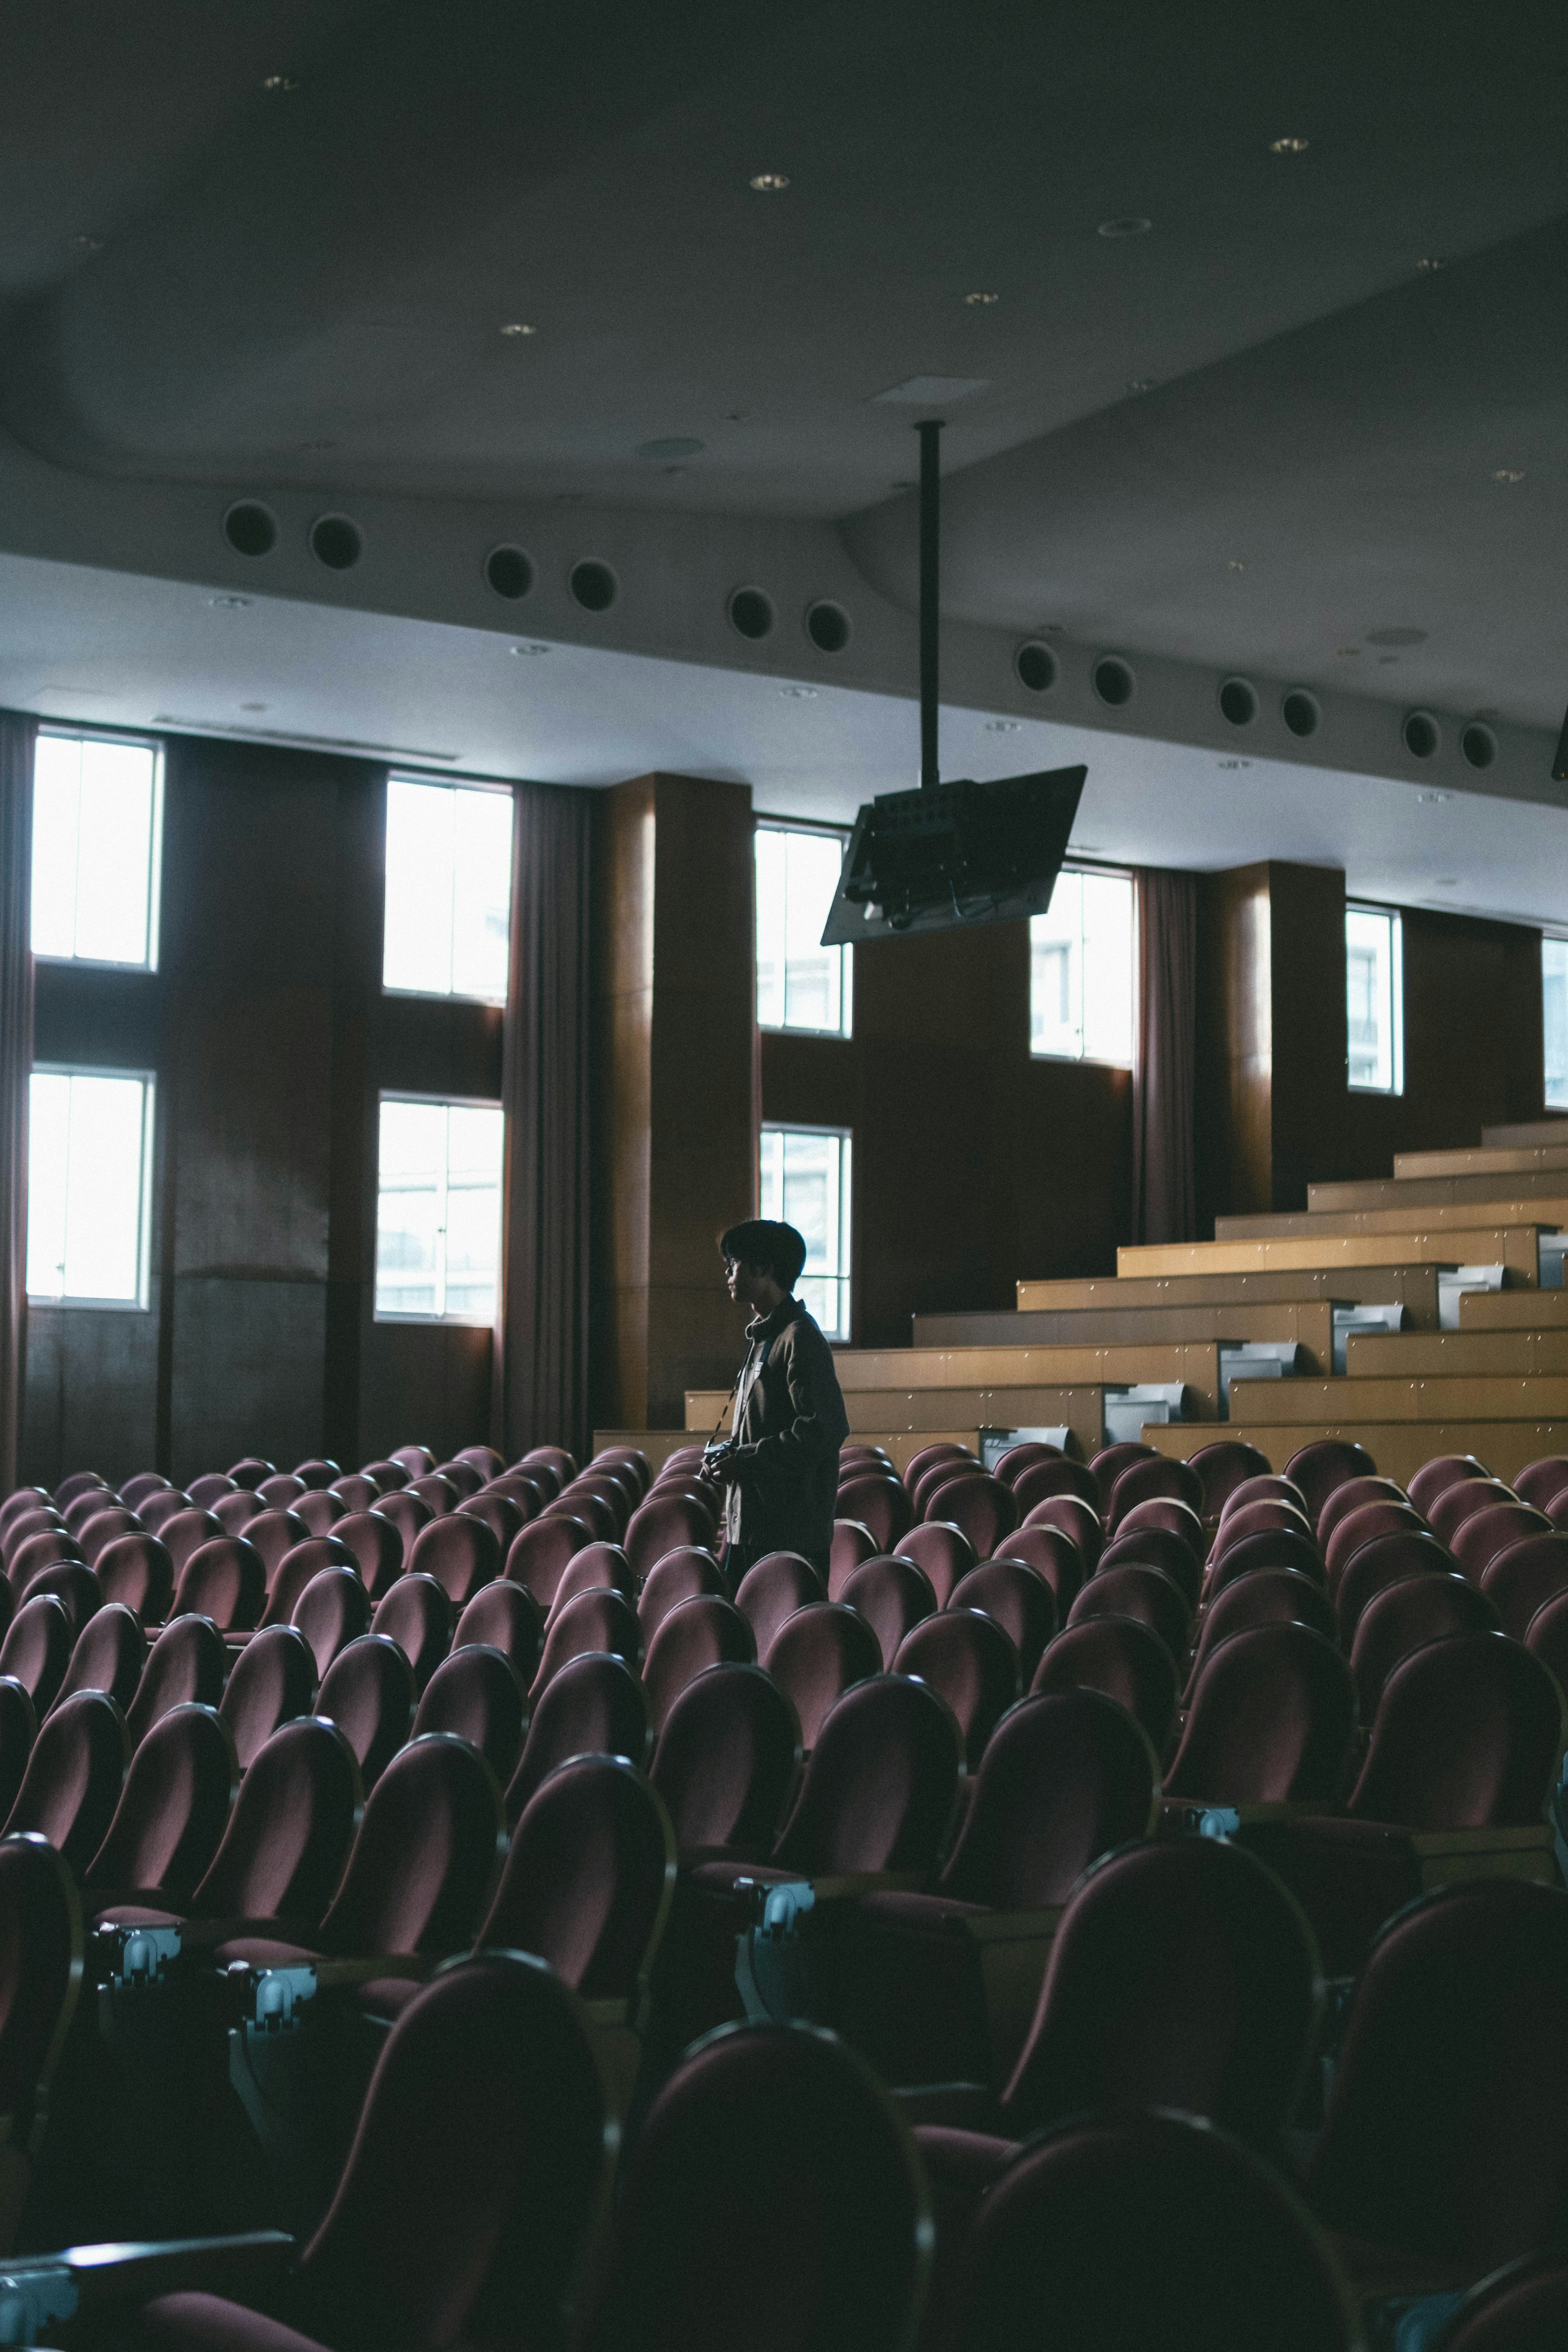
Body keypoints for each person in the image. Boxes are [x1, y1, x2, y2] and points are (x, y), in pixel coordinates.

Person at [706, 1218, 849, 1586]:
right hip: (750, 1528)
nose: (727, 1272)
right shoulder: (764, 1336)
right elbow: (764, 1426)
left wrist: (747, 1461)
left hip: (787, 1538)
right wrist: (729, 1455)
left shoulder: (800, 1337)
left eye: (734, 1263)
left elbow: (824, 1430)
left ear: (764, 1268)